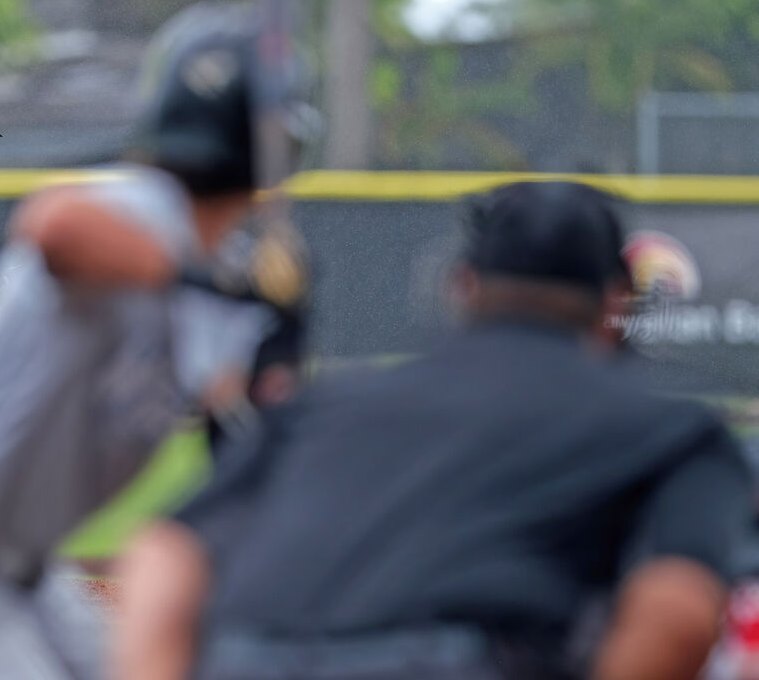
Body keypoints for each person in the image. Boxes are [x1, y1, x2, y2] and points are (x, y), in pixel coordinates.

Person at [112, 180, 756, 680]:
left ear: (462, 287)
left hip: (248, 659)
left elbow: (165, 550)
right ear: (617, 301)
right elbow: (677, 613)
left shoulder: (327, 405)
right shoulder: (673, 431)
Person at [0, 1, 307, 678]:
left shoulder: (233, 277)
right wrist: (205, 280)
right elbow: (54, 225)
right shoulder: (146, 214)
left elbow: (241, 432)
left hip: (29, 579)